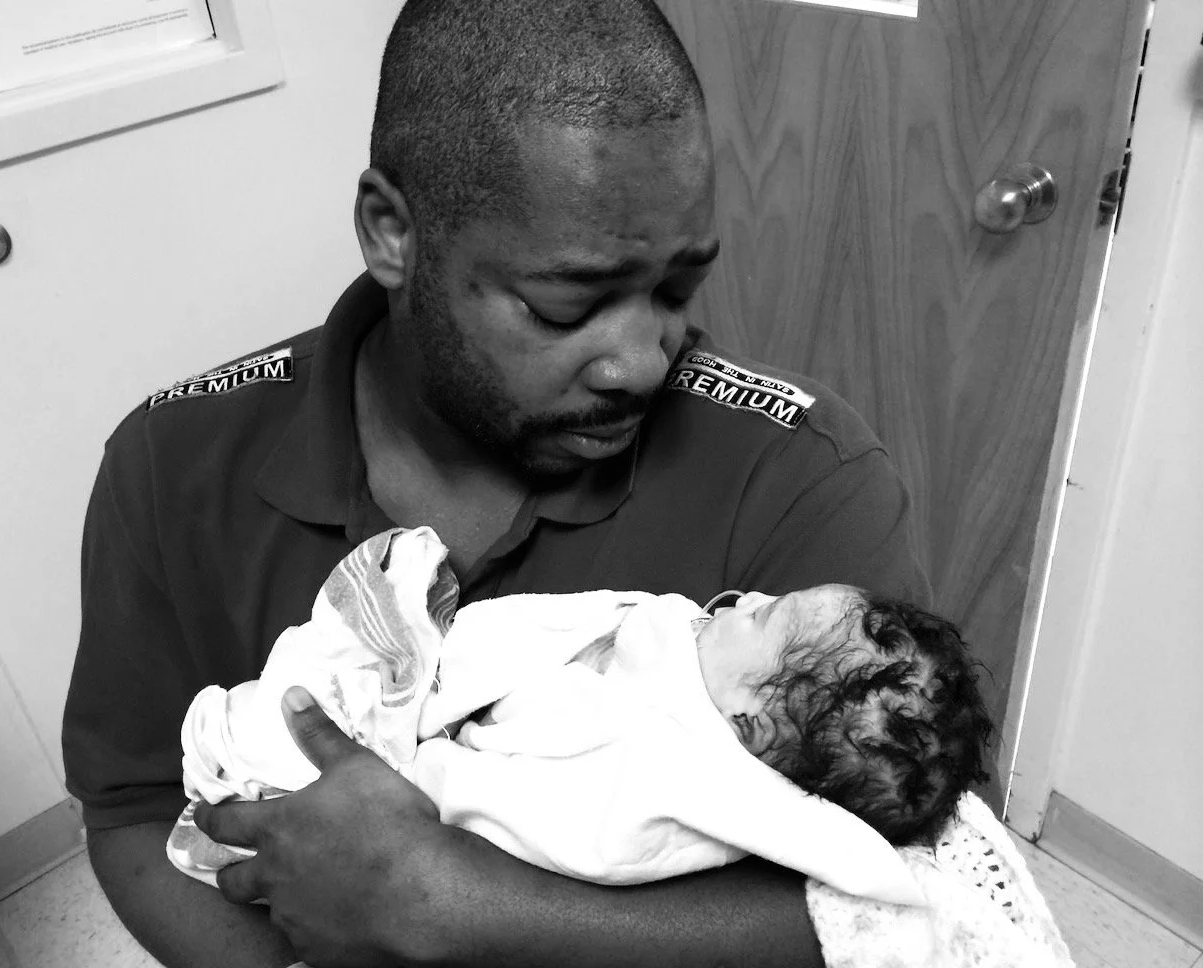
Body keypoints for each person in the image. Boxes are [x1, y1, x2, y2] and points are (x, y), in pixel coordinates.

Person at [61, 1, 932, 966]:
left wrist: (456, 906)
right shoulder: (173, 463)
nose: (643, 361)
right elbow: (134, 805)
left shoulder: (799, 476)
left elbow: (923, 902)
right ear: (393, 232)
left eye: (678, 289)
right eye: (570, 304)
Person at [168, 527, 990, 902]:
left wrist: (400, 762)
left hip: (390, 769)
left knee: (282, 737)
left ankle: (251, 758)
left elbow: (485, 807)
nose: (751, 597)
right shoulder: (685, 656)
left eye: (762, 620)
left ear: (744, 726)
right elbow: (599, 629)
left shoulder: (656, 795)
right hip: (445, 702)